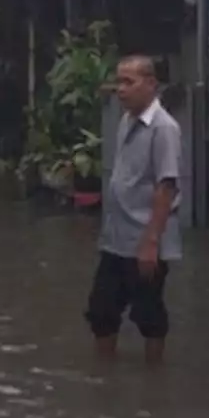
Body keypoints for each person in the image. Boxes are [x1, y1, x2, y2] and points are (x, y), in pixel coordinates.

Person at [86, 55, 182, 365]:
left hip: (145, 239)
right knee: (101, 310)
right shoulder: (126, 120)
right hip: (117, 238)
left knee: (148, 313)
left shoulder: (164, 128)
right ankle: (105, 373)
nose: (121, 89)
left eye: (129, 82)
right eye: (119, 82)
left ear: (151, 84)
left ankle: (154, 378)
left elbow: (166, 185)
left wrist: (152, 241)